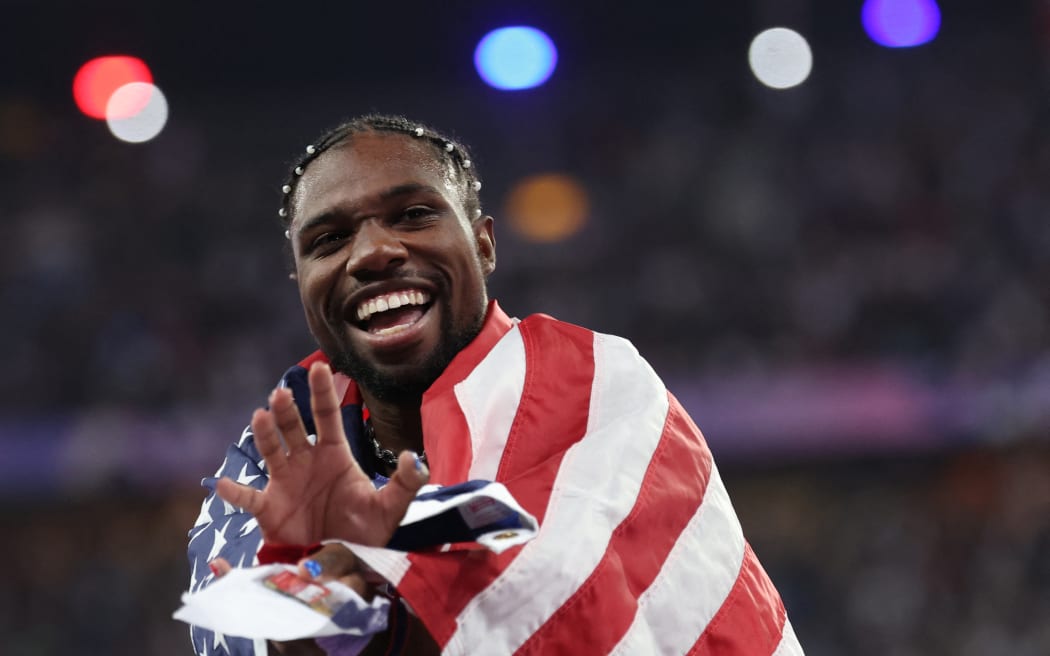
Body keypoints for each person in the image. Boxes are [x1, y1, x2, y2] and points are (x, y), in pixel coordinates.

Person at [187, 114, 803, 656]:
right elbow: (229, 624)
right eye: (328, 240)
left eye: (413, 214)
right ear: (301, 283)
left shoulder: (590, 381)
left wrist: (359, 578)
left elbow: (541, 602)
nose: (372, 252)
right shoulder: (284, 440)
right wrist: (322, 608)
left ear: (483, 244)